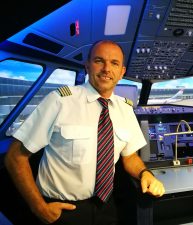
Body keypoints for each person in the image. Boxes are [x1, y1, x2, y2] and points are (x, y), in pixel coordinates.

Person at [4, 40, 165, 225]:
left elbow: (130, 157)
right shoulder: (60, 101)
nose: (106, 68)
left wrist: (145, 173)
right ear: (87, 66)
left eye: (114, 63)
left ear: (122, 72)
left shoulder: (125, 109)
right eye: (99, 60)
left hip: (107, 206)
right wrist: (39, 207)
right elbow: (15, 156)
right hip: (63, 210)